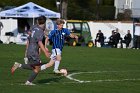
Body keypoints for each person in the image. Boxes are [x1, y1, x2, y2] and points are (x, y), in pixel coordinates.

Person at [11, 15, 50, 85]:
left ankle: (18, 66)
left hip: (30, 49)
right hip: (34, 51)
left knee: (34, 67)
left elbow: (29, 39)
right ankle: (28, 82)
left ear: (38, 21)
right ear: (44, 23)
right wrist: (45, 52)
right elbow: (40, 42)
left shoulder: (34, 28)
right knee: (37, 69)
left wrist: (26, 50)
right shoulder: (40, 31)